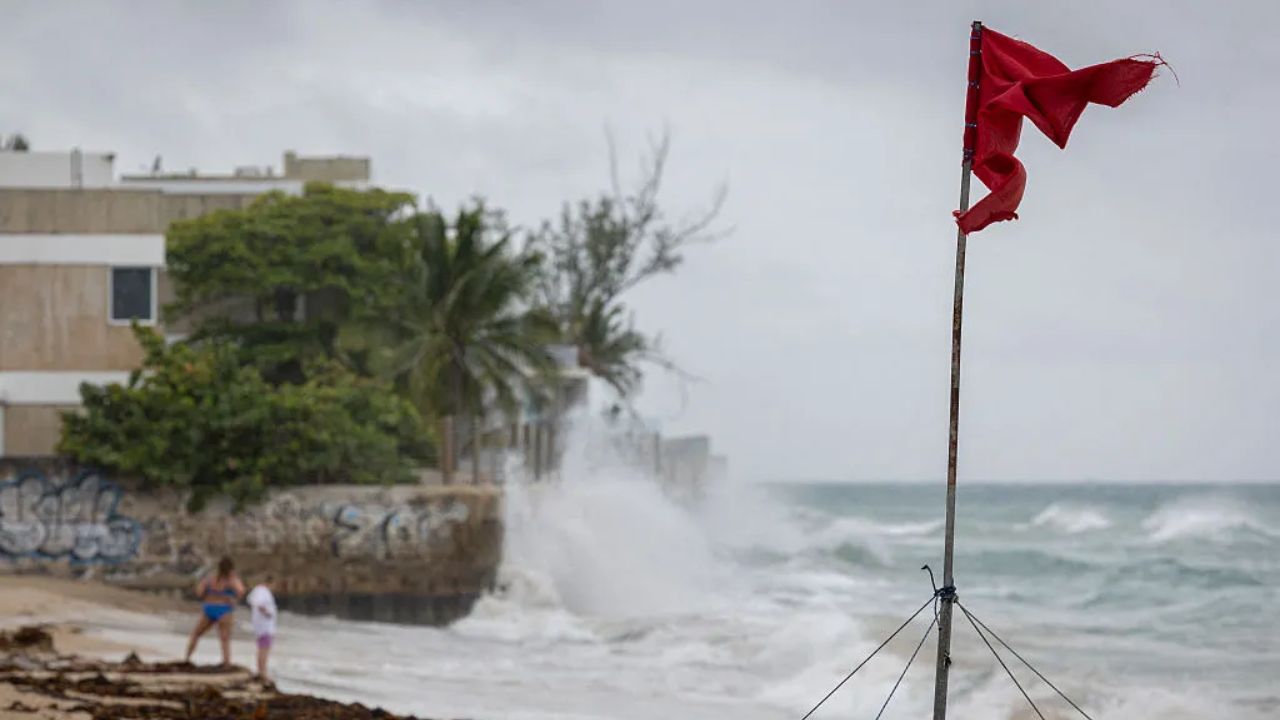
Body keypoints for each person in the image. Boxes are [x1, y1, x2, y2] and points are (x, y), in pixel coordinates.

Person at [184, 556, 245, 666]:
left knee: (196, 634)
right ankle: (226, 662)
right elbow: (241, 591)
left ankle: (187, 657)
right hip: (224, 609)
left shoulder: (211, 578)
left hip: (209, 607)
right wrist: (233, 600)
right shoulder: (232, 580)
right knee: (225, 640)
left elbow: (199, 592)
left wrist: (208, 595)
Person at [246, 575, 278, 680]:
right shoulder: (263, 590)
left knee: (262, 647)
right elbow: (258, 604)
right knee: (264, 648)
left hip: (260, 624)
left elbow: (250, 600)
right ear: (271, 583)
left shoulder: (257, 590)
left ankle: (261, 670)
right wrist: (267, 613)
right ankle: (262, 671)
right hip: (264, 625)